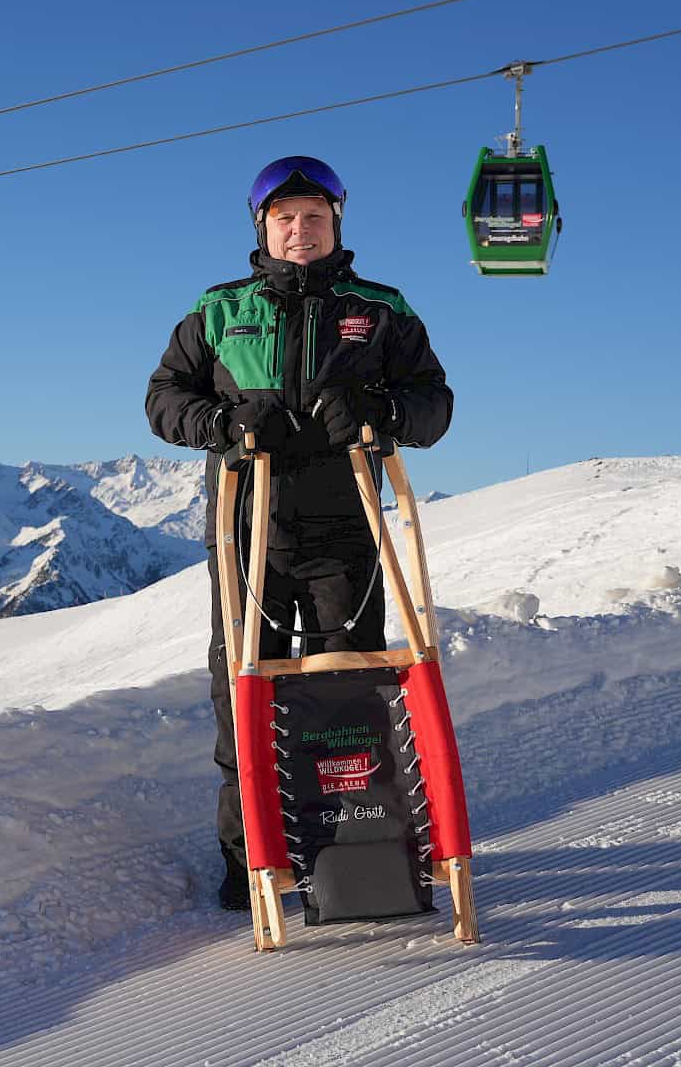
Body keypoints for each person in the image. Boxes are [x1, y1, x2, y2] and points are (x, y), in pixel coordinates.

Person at [144, 155, 453, 911]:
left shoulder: (379, 309)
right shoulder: (219, 310)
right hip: (247, 527)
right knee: (242, 690)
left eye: (314, 216)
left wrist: (379, 416)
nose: (300, 230)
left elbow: (434, 404)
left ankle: (352, 850)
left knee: (344, 688)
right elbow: (163, 399)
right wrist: (222, 421)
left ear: (336, 221)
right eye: (285, 219)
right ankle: (251, 857)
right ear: (263, 227)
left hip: (344, 528)